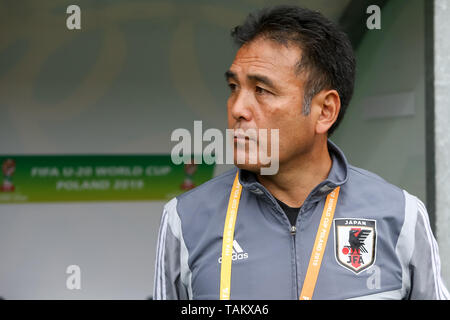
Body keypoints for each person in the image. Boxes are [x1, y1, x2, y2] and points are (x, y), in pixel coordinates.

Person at [153, 5, 449, 299]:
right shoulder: (185, 220)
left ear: (325, 111)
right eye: (233, 87)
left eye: (261, 90)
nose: (238, 109)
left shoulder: (400, 215)